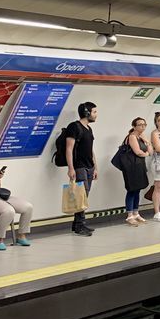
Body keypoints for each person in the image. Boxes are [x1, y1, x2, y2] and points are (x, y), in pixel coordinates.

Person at [62, 101, 98, 235]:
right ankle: (79, 225)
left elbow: (91, 150)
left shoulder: (89, 129)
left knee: (84, 196)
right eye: (94, 112)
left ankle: (78, 223)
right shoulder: (74, 127)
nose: (96, 115)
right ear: (86, 113)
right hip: (79, 166)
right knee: (81, 196)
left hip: (89, 166)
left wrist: (95, 167)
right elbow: (69, 148)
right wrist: (71, 168)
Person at [116, 117, 151, 226]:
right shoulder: (132, 137)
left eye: (144, 124)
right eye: (140, 124)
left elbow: (151, 150)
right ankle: (129, 215)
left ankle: (136, 213)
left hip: (139, 166)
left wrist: (147, 142)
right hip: (131, 167)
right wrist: (146, 154)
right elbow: (138, 152)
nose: (143, 126)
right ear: (134, 126)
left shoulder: (141, 137)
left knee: (138, 189)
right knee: (131, 190)